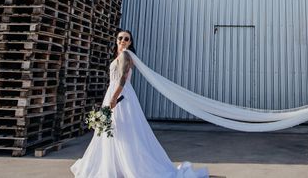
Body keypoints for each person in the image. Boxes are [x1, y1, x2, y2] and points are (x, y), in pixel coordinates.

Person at [70, 30, 208, 178]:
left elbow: (122, 77)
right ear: (116, 40)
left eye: (126, 39)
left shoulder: (125, 55)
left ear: (130, 42)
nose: (123, 40)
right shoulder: (119, 55)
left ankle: (130, 165)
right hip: (115, 93)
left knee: (123, 130)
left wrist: (113, 98)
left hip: (120, 96)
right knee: (115, 130)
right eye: (120, 38)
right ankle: (116, 165)